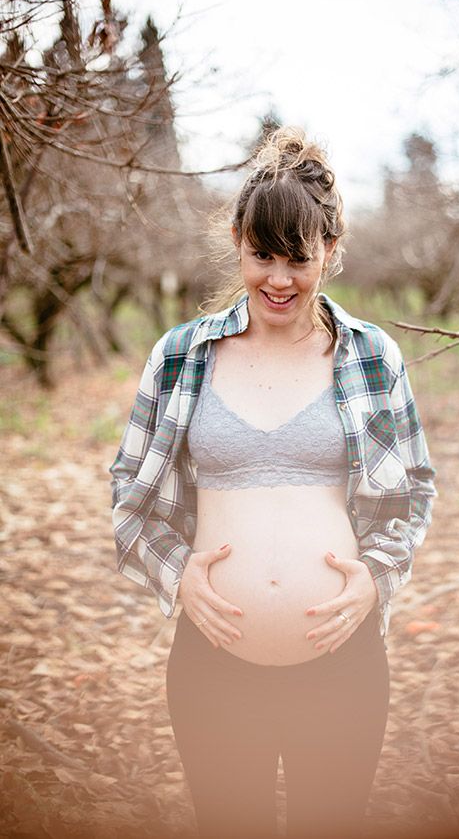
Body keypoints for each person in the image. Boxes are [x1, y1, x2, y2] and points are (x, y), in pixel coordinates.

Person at [109, 126, 438, 839]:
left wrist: (375, 579)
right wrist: (178, 576)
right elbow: (130, 489)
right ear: (237, 240)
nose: (279, 279)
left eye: (298, 257)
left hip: (342, 662)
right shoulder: (181, 356)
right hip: (213, 663)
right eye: (262, 255)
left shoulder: (371, 357)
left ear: (330, 250)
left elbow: (413, 490)